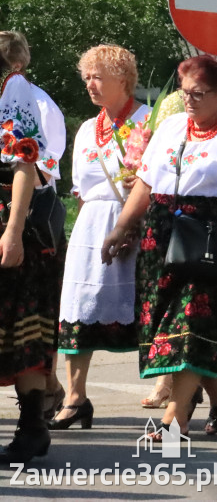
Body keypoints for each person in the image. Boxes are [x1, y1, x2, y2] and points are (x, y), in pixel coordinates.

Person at [100, 55, 217, 438]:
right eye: (186, 93)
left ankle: (174, 421)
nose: (190, 100)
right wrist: (122, 226)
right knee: (164, 324)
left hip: (213, 237)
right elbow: (146, 183)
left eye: (199, 93)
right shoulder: (170, 128)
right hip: (163, 234)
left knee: (191, 322)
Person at [48, 45, 150, 431]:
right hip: (93, 223)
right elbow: (80, 184)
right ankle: (76, 398)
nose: (90, 84)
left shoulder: (146, 120)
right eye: (87, 77)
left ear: (123, 79)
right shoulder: (89, 128)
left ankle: (177, 388)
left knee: (146, 305)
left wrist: (131, 220)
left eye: (98, 76)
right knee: (78, 305)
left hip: (135, 219)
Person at [0, 32, 67, 422]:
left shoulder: (15, 88)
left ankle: (31, 429)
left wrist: (12, 230)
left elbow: (26, 160)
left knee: (22, 330)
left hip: (12, 220)